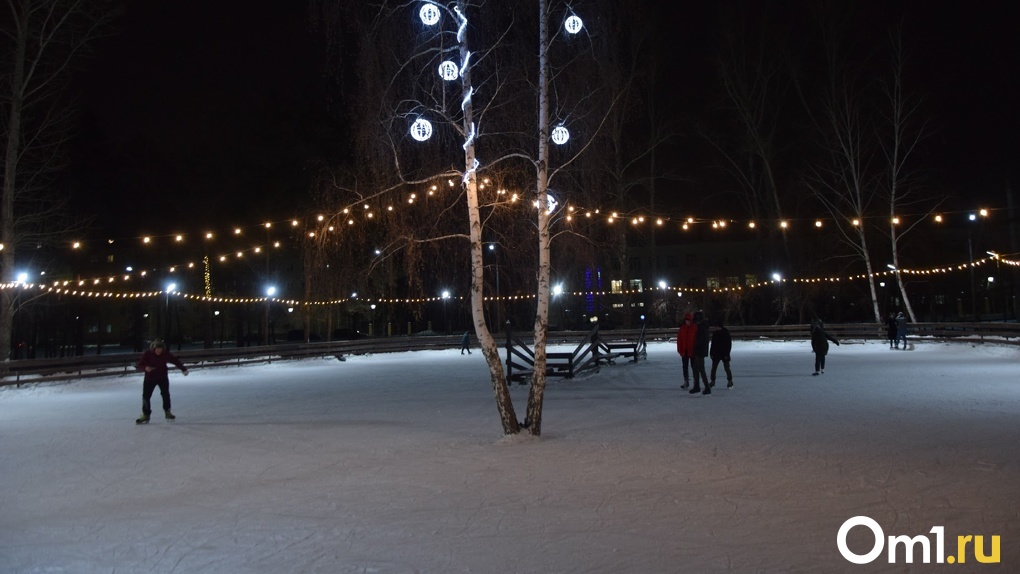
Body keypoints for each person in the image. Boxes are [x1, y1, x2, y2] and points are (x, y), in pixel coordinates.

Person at [135, 338, 188, 424]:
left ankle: (167, 411)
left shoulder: (165, 354)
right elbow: (140, 364)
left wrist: (183, 369)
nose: (159, 351)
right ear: (154, 348)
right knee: (146, 396)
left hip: (162, 378)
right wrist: (145, 368)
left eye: (161, 349)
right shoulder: (148, 354)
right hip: (150, 378)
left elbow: (175, 361)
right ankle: (146, 414)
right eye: (157, 349)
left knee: (165, 395)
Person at [689, 310, 711, 395]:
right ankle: (697, 386)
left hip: (700, 351)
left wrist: (696, 347)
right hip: (699, 351)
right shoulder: (702, 327)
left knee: (701, 369)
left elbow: (701, 341)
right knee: (695, 368)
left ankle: (706, 387)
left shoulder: (701, 328)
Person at [710, 319, 733, 388]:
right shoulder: (715, 333)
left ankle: (730, 380)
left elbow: (729, 344)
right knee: (714, 368)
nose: (715, 328)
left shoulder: (725, 333)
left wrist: (727, 354)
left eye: (716, 326)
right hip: (716, 353)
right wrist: (711, 352)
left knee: (727, 368)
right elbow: (713, 344)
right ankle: (712, 381)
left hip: (724, 353)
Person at [675, 313, 696, 389]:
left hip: (692, 351)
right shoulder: (682, 329)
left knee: (694, 367)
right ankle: (686, 381)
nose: (688, 322)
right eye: (686, 321)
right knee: (685, 367)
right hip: (684, 351)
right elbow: (679, 340)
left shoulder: (694, 328)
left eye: (689, 321)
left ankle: (695, 381)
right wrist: (679, 350)